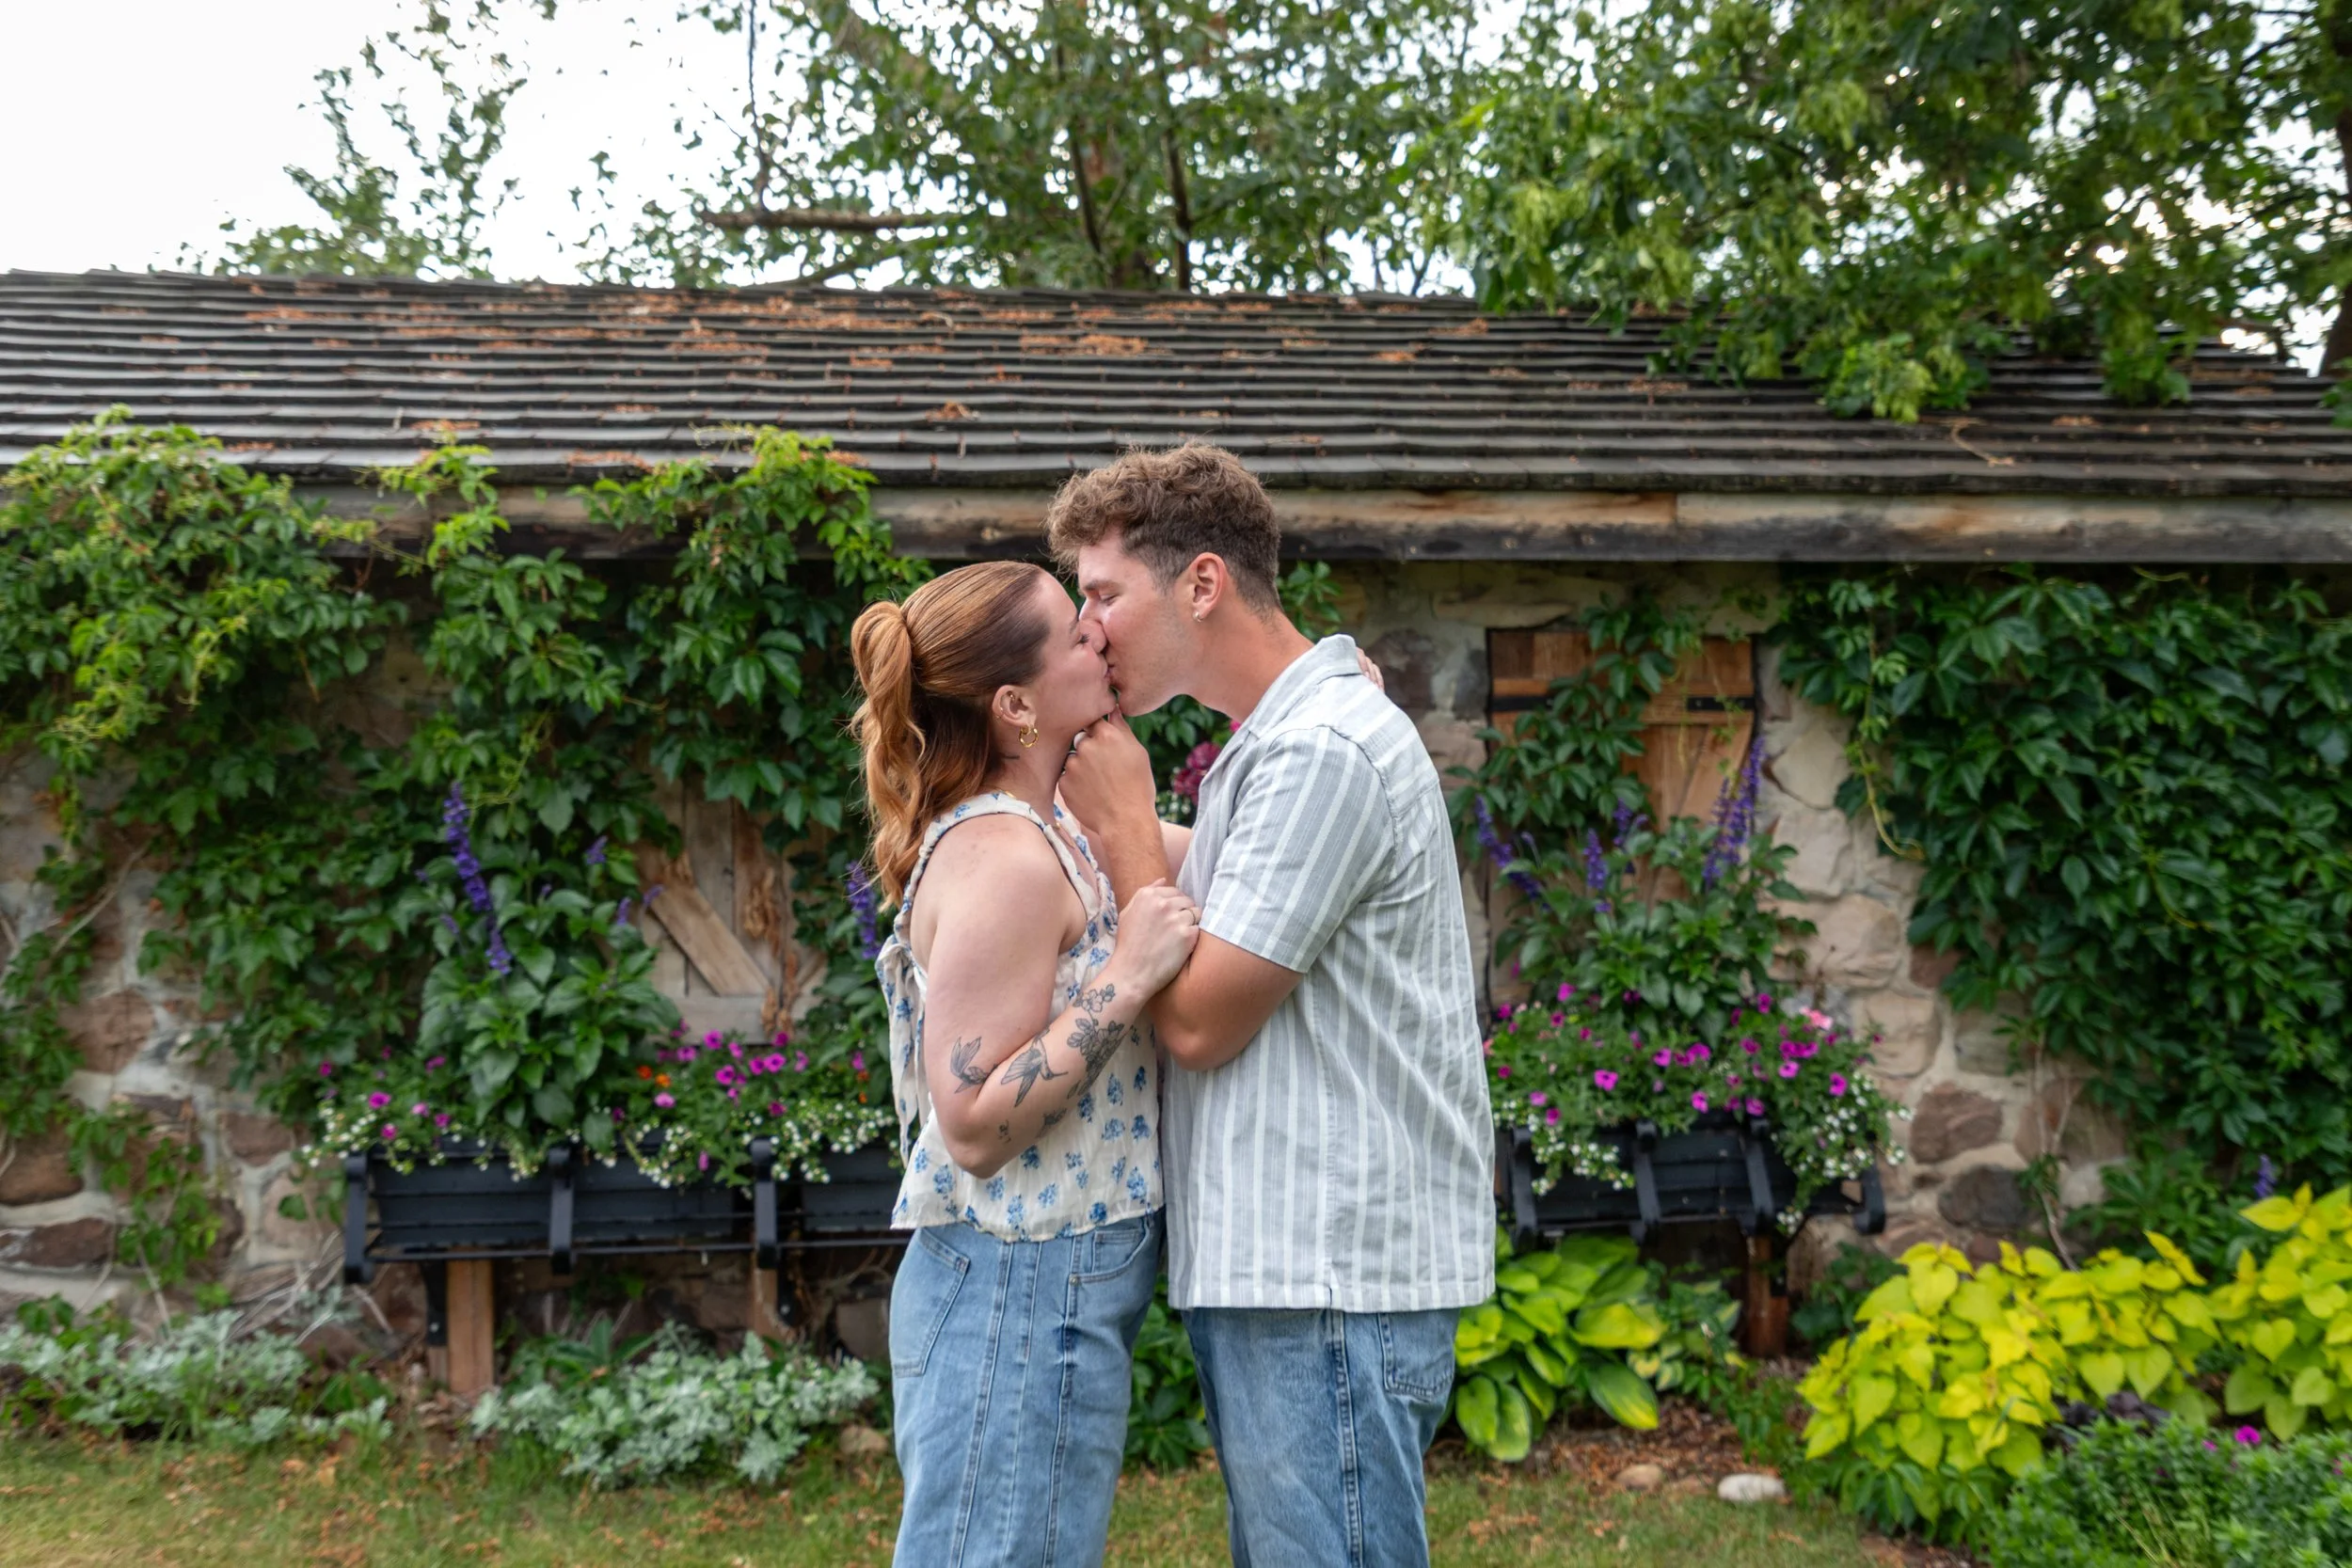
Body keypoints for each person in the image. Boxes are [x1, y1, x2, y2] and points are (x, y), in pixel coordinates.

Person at [1052, 444, 1495, 1568]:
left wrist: (1117, 822)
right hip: (1290, 1276)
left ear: (1201, 583)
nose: (1088, 628)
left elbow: (1197, 1019)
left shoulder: (1325, 752)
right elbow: (1204, 888)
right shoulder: (1275, 750)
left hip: (1325, 1277)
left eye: (1103, 594)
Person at [850, 560, 1201, 1568]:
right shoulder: (1005, 856)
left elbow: (1230, 852)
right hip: (1014, 1292)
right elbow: (970, 1121)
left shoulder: (1063, 831)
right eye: (1073, 629)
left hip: (1055, 1289)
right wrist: (1124, 981)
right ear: (1014, 704)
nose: (1099, 630)